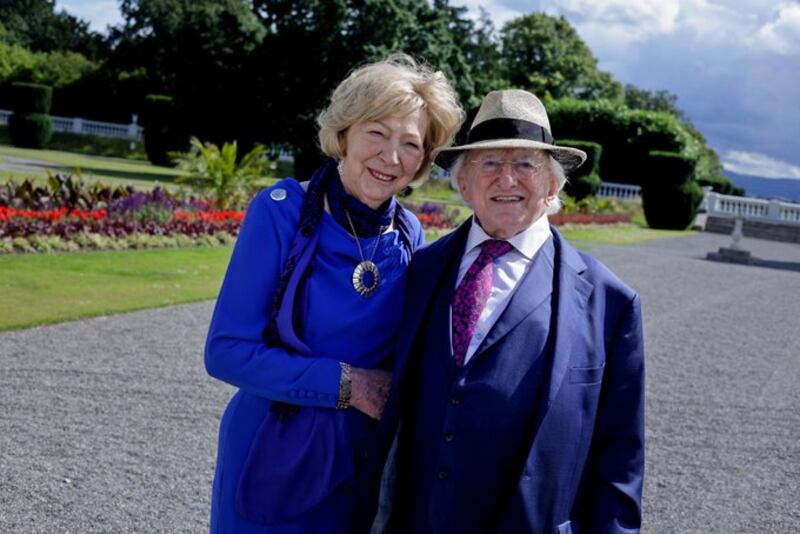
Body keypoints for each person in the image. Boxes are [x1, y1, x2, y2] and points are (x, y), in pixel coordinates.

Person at [204, 54, 463, 533]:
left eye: (411, 144)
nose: (391, 157)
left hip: (360, 463)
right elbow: (226, 353)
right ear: (344, 133)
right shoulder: (279, 211)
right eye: (377, 133)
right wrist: (349, 385)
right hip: (269, 454)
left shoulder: (410, 234)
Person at [374, 89, 646, 533]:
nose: (507, 179)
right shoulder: (419, 271)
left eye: (525, 164)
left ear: (554, 184)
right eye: (489, 163)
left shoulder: (610, 302)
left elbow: (621, 460)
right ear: (463, 183)